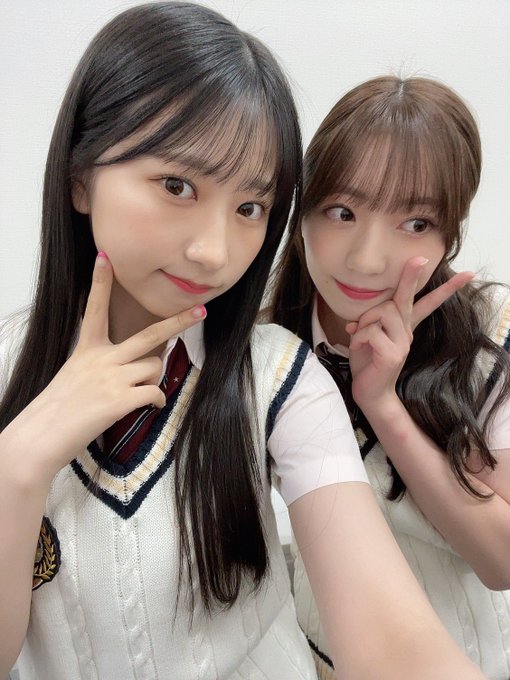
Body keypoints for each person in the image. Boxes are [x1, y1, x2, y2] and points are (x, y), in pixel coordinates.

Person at [0, 4, 487, 677]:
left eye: (249, 208)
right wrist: (17, 465)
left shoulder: (280, 379)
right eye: (177, 186)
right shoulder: (10, 368)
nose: (214, 250)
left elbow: (390, 637)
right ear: (81, 178)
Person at [270, 75, 510, 680]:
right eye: (342, 211)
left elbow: (503, 560)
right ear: (302, 212)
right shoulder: (267, 346)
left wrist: (383, 405)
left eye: (415, 222)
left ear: (450, 235)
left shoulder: (485, 341)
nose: (367, 259)